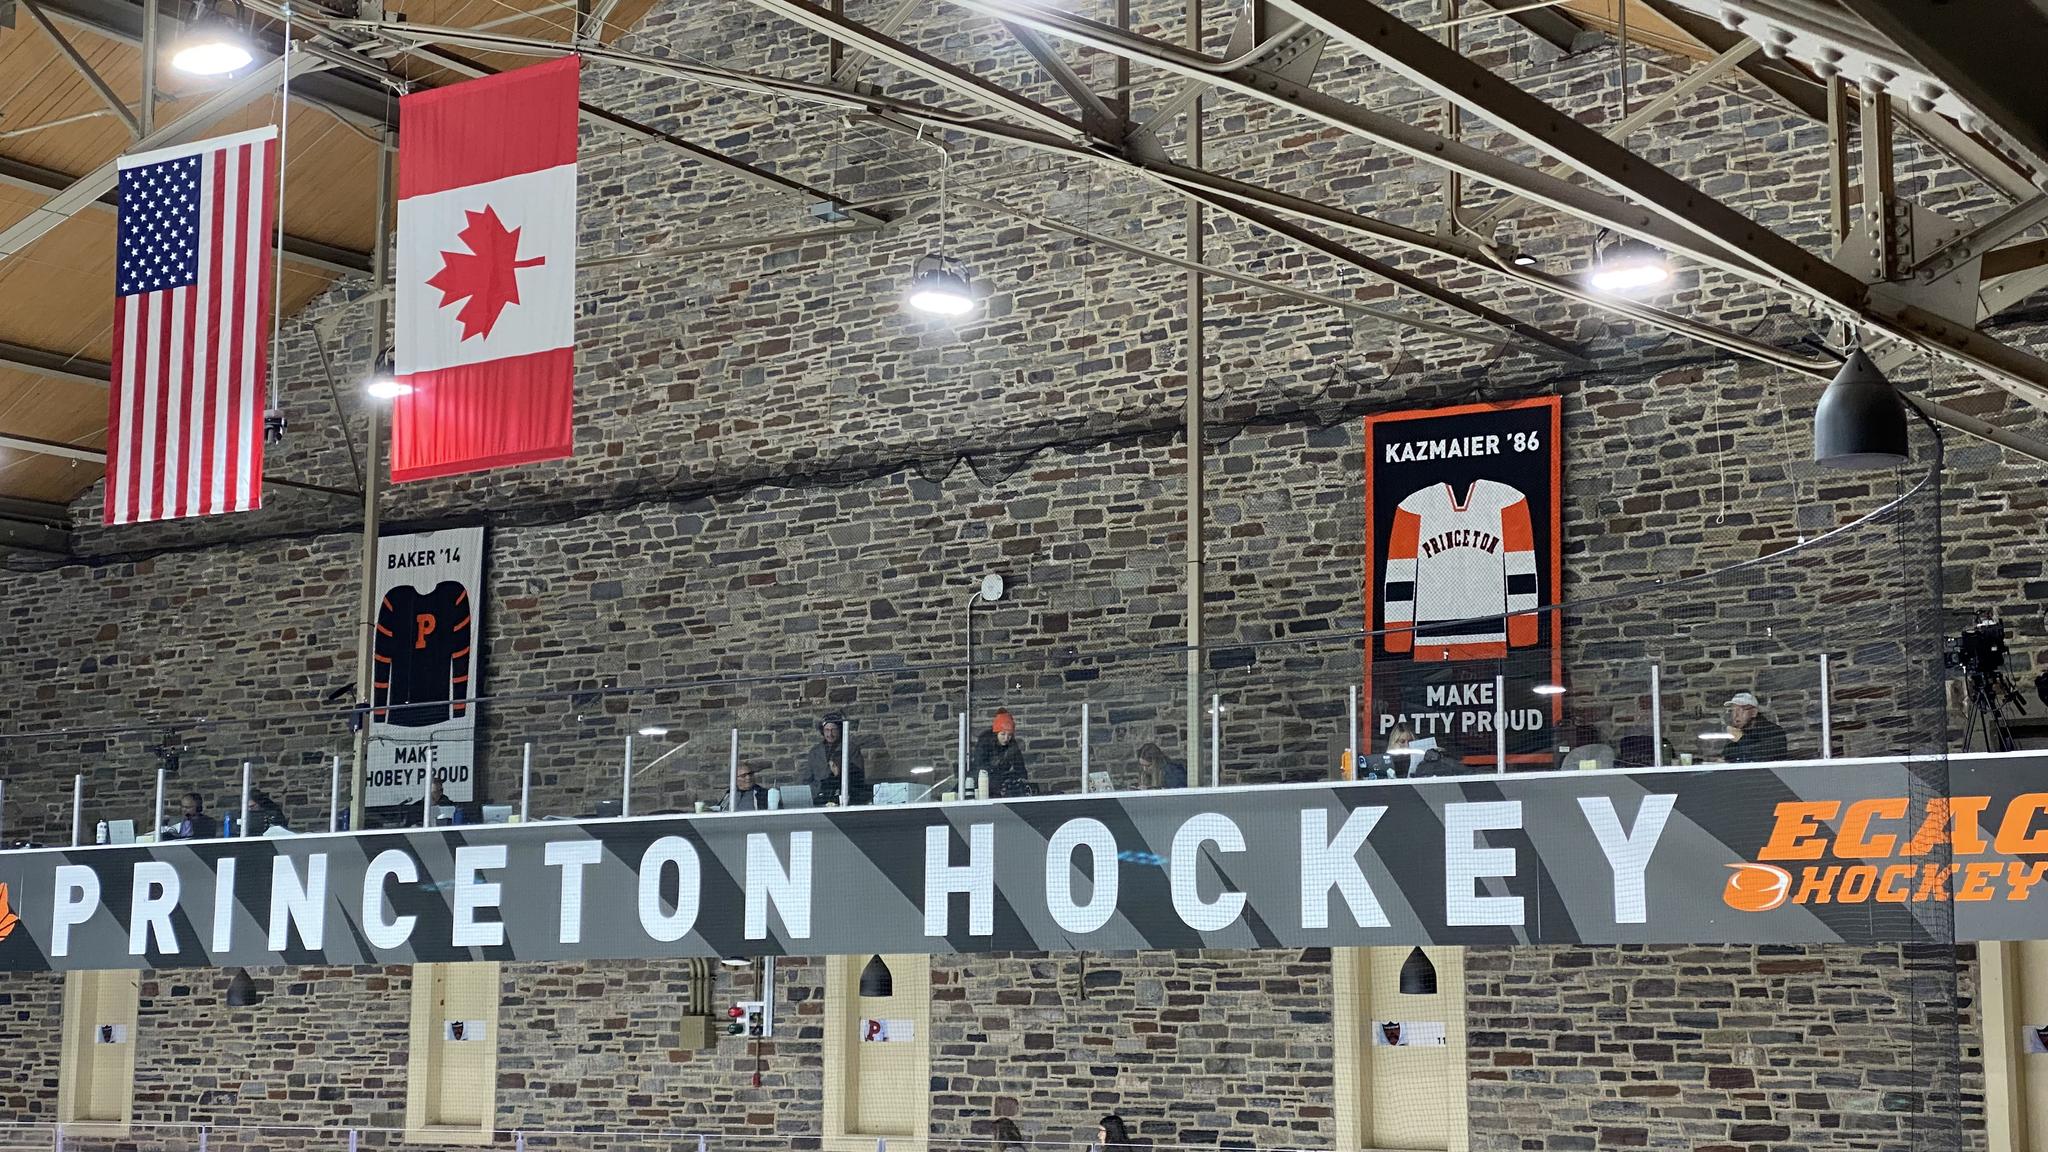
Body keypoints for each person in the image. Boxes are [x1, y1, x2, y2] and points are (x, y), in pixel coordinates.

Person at [804, 712, 868, 805]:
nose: (830, 734)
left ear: (840, 730)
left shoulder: (850, 748)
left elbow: (858, 776)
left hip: (844, 798)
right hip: (818, 799)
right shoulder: (815, 752)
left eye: (833, 730)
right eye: (827, 730)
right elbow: (807, 779)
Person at [971, 709, 1033, 798]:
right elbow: (979, 765)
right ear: (996, 733)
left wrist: (1022, 780)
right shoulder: (985, 741)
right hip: (982, 782)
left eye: (1009, 735)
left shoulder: (1012, 744)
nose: (1006, 738)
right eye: (1003, 734)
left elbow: (1019, 765)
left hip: (1000, 781)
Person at [1721, 691, 1789, 762]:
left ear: (1754, 712)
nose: (1735, 715)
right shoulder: (1738, 731)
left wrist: (1741, 739)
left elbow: (1763, 757)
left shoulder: (1773, 731)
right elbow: (1727, 756)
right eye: (1733, 710)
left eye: (1741, 710)